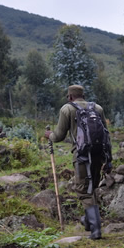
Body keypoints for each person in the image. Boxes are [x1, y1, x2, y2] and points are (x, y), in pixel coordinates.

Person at [45, 85, 112, 239]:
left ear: (69, 97)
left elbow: (59, 136)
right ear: (83, 95)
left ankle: (95, 230)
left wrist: (49, 135)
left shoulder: (67, 109)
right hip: (99, 154)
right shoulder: (98, 108)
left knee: (83, 190)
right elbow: (106, 136)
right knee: (92, 187)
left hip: (81, 156)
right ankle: (88, 221)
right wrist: (109, 160)